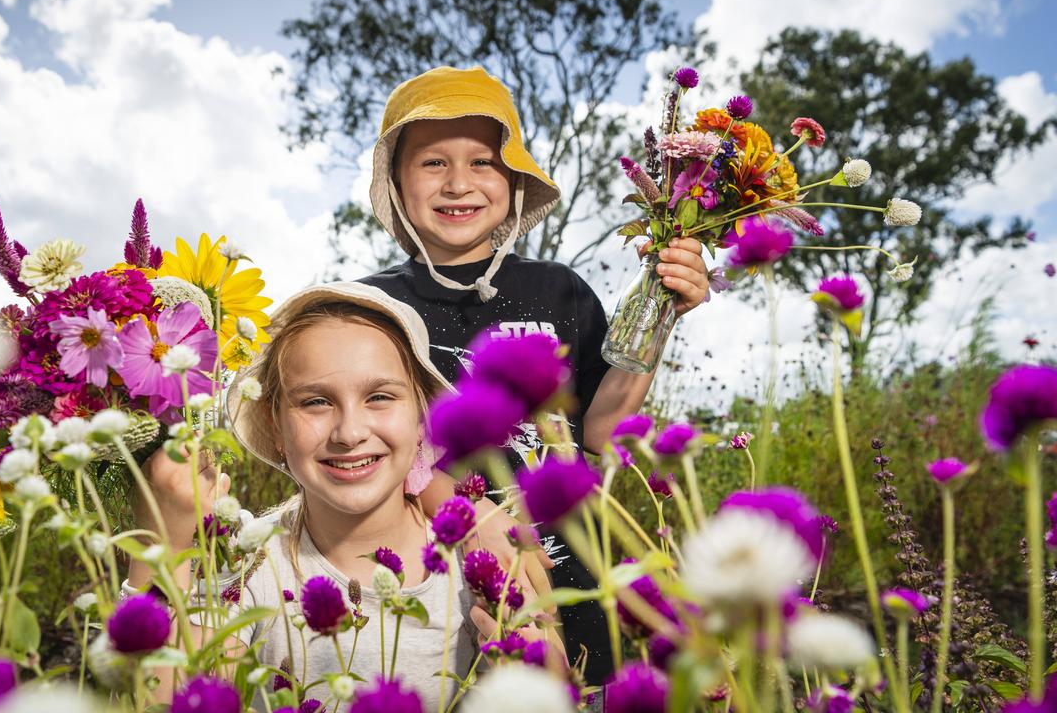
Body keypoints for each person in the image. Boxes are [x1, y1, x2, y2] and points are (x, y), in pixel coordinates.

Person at [358, 66, 711, 686]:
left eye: (483, 162)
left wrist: (662, 311)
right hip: (436, 585)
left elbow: (601, 431)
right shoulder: (371, 309)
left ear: (514, 180)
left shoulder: (560, 292)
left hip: (575, 572)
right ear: (397, 181)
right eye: (433, 163)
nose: (459, 184)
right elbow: (377, 458)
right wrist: (480, 529)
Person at [128, 282, 553, 710]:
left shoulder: (481, 559)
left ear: (422, 418)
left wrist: (532, 677)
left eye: (380, 397)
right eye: (315, 402)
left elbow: (554, 681)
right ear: (276, 427)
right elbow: (164, 698)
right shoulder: (251, 565)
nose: (349, 433)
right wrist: (161, 544)